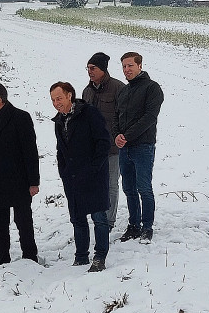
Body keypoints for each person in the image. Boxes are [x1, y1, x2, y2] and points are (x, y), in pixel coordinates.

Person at [0, 82, 40, 265]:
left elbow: (30, 152)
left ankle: (30, 255)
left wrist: (34, 182)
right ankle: (3, 256)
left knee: (23, 221)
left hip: (19, 180)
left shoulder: (21, 118)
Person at [49, 82, 111, 272]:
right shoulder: (59, 120)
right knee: (77, 218)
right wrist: (64, 172)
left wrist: (94, 169)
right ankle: (81, 256)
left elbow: (103, 142)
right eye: (52, 100)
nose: (56, 103)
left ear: (69, 95)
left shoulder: (89, 113)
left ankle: (100, 257)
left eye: (59, 98)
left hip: (94, 175)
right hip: (72, 177)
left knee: (99, 217)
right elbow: (61, 149)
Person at [114, 51, 165, 242]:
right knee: (128, 189)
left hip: (143, 146)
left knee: (144, 188)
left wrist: (127, 136)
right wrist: (117, 135)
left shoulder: (152, 88)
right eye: (124, 66)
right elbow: (115, 116)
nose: (127, 69)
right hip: (124, 148)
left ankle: (147, 227)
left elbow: (149, 118)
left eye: (130, 66)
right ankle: (133, 226)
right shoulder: (124, 91)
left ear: (140, 66)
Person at [82, 52, 126, 231]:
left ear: (103, 69)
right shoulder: (87, 91)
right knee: (94, 183)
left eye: (93, 68)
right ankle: (97, 216)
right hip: (92, 148)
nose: (90, 72)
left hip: (112, 147)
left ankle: (108, 222)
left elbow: (125, 116)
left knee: (111, 184)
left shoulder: (118, 88)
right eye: (88, 68)